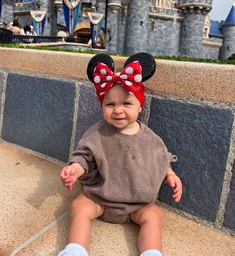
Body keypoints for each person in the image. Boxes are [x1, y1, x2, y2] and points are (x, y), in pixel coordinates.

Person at [59, 53, 183, 256]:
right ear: (102, 106)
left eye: (126, 104)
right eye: (110, 105)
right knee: (79, 206)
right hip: (99, 199)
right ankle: (75, 250)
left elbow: (160, 158)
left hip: (136, 205)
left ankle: (151, 253)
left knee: (154, 215)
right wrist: (75, 169)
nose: (118, 110)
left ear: (140, 106)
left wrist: (170, 175)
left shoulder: (149, 138)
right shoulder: (97, 133)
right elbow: (85, 157)